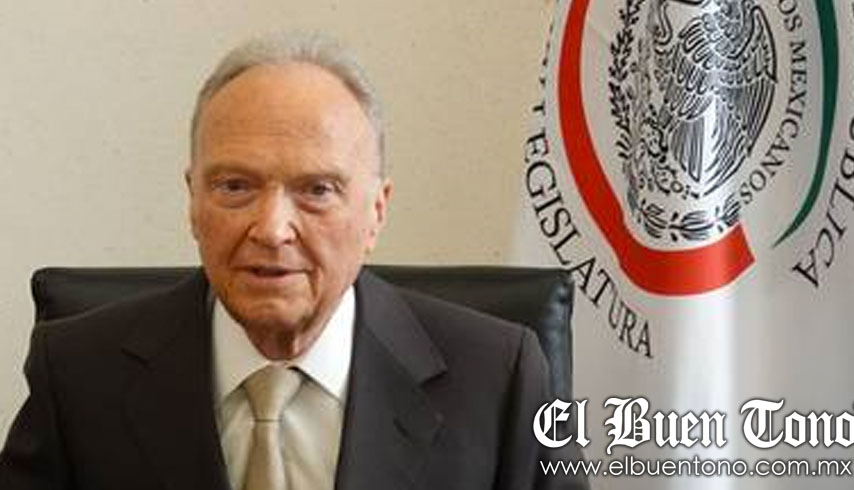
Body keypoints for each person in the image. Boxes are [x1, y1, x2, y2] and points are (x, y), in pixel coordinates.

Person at [0, 32, 587, 490]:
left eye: (317, 190)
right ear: (193, 201)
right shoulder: (78, 376)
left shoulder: (499, 380)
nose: (272, 229)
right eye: (235, 186)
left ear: (376, 211)